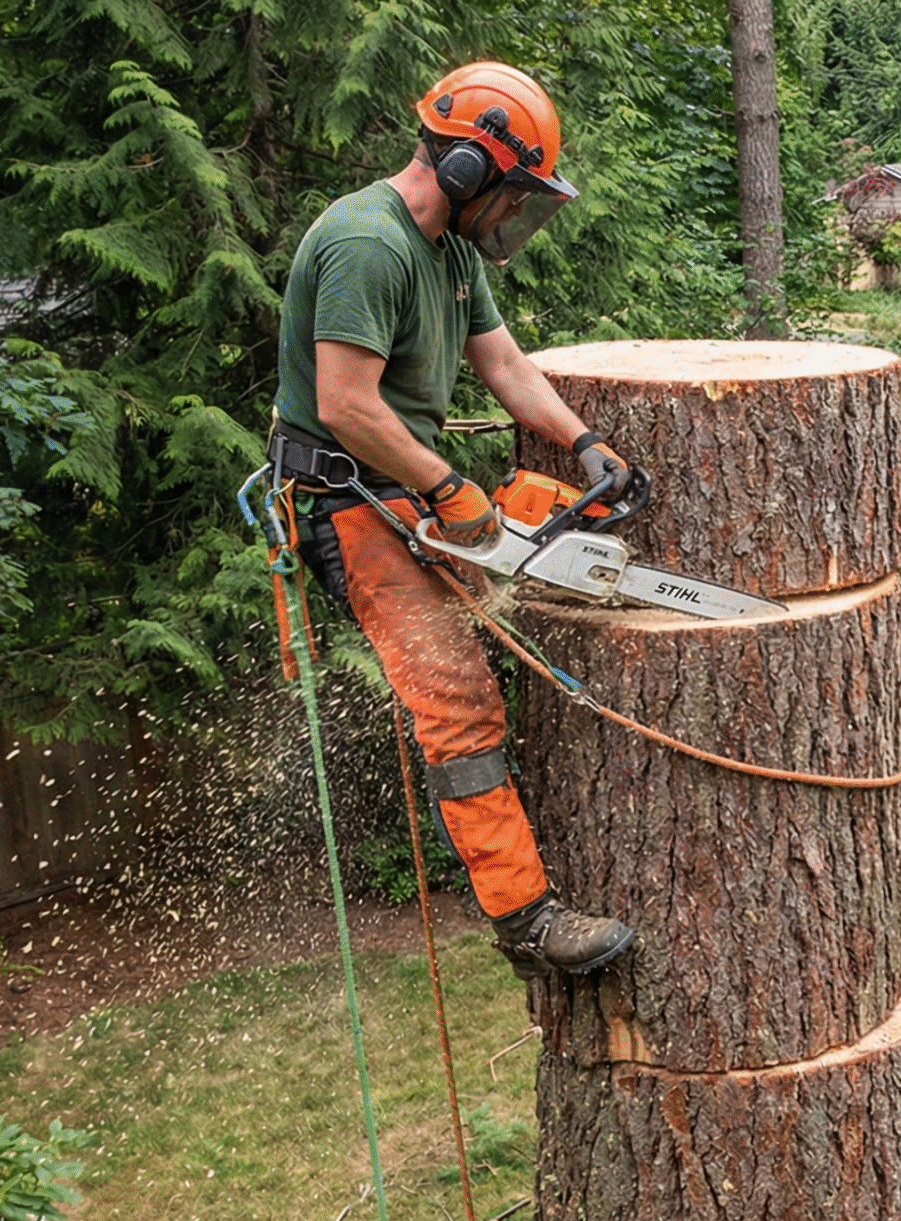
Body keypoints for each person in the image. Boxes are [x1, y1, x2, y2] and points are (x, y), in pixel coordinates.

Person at [271, 61, 634, 980]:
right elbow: (346, 404)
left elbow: (504, 365)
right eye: (514, 193)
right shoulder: (370, 243)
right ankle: (526, 922)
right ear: (469, 169)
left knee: (503, 639)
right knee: (457, 705)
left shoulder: (452, 250)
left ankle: (523, 857)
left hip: (404, 490)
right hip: (350, 501)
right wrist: (445, 488)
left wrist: (584, 441)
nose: (516, 213)